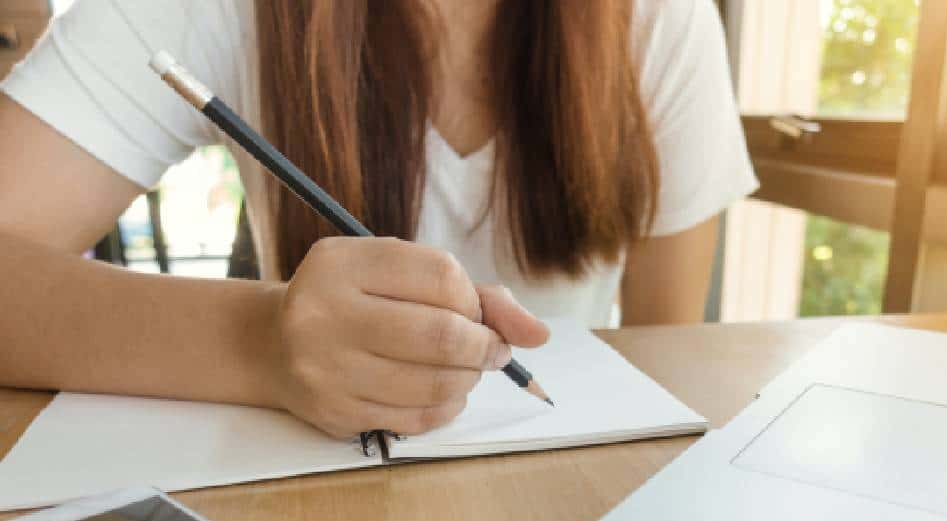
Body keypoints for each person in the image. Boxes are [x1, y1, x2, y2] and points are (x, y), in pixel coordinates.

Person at [0, 0, 757, 439]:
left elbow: (669, 354)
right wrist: (257, 341)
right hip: (307, 478)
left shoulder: (659, 18)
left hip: (566, 485)